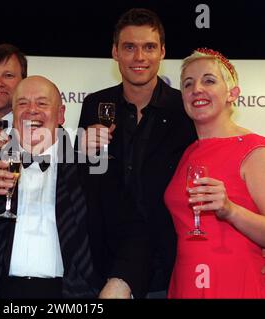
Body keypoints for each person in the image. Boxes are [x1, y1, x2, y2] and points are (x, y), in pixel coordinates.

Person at [77, 8, 197, 298]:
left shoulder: (185, 109)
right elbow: (86, 177)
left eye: (149, 47)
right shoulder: (96, 104)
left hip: (169, 263)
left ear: (162, 52)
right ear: (115, 52)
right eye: (129, 47)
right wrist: (78, 151)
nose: (139, 57)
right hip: (104, 260)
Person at [0, 75, 98, 298]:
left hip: (70, 295)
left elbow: (126, 229)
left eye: (42, 103)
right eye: (22, 103)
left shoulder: (88, 168)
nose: (32, 110)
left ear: (60, 114)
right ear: (14, 115)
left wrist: (120, 280)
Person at [164, 48, 265, 298]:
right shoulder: (188, 153)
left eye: (209, 80)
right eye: (188, 84)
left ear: (232, 94)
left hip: (239, 284)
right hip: (187, 284)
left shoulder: (254, 149)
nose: (197, 89)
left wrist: (231, 211)